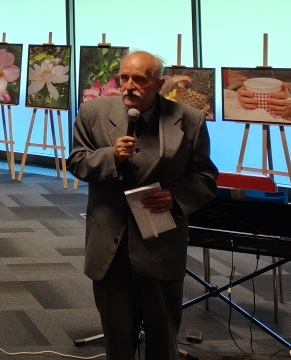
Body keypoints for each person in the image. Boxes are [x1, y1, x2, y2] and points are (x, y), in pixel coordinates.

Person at [69, 51, 218, 360]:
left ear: (159, 84)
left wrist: (175, 197)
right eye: (124, 78)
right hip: (109, 246)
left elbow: (205, 177)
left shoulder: (190, 120)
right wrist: (111, 156)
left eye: (139, 79)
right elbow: (77, 161)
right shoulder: (92, 112)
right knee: (117, 339)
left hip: (160, 244)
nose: (129, 86)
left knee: (162, 337)